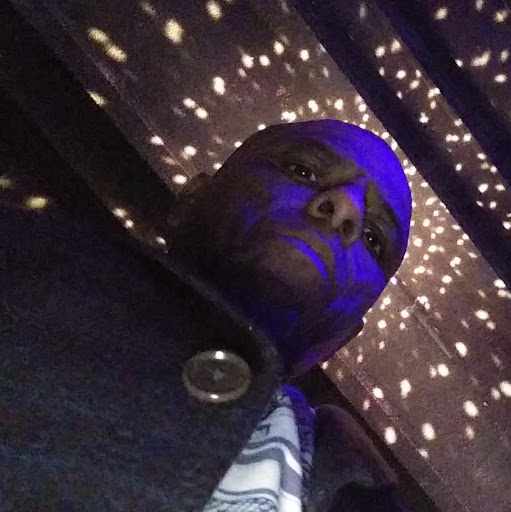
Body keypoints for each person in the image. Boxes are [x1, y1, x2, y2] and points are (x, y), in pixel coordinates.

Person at [0, 119, 411, 511]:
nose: (346, 207)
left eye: (373, 239)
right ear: (192, 199)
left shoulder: (350, 480)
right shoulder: (24, 258)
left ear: (336, 341)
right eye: (301, 171)